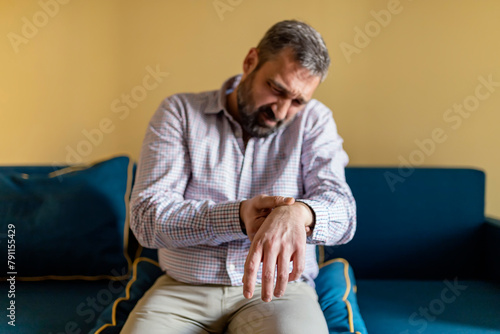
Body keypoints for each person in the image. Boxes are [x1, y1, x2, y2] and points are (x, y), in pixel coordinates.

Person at [123, 19, 356, 334]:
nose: (281, 111)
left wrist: (300, 213)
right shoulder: (179, 112)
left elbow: (345, 214)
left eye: (298, 101)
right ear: (250, 62)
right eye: (276, 89)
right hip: (183, 288)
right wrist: (237, 216)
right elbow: (145, 219)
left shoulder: (315, 122)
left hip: (280, 291)